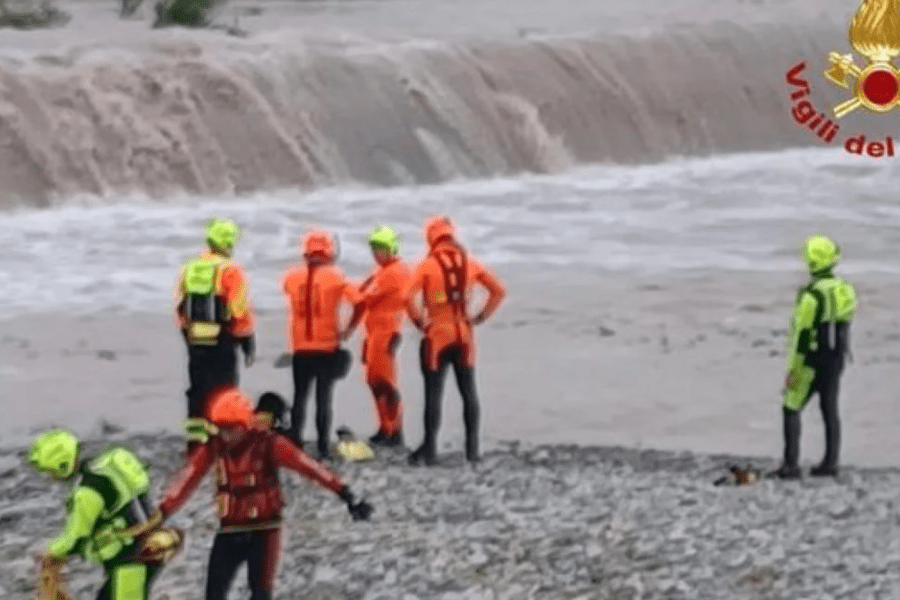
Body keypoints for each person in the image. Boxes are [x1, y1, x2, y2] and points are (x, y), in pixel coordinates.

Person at [150, 386, 373, 600]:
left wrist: (346, 494)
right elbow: (188, 478)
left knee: (261, 593)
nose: (226, 435)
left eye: (231, 428)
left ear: (245, 425)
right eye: (221, 428)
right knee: (214, 593)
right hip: (230, 529)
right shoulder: (214, 445)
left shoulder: (270, 444)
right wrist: (162, 511)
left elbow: (310, 468)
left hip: (264, 531)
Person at [405, 215, 506, 466]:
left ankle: (430, 452)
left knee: (433, 394)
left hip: (437, 335)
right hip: (464, 334)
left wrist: (419, 321)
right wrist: (480, 316)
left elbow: (406, 296)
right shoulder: (470, 262)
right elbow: (498, 291)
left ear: (431, 238)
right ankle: (472, 451)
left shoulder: (426, 265)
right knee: (469, 392)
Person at [28, 428, 176, 600]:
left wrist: (50, 553)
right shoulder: (103, 468)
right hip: (149, 545)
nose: (50, 477)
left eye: (50, 471)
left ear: (61, 465)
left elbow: (76, 536)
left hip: (128, 560)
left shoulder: (87, 493)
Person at [770, 234, 858, 479]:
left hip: (810, 361)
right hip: (836, 358)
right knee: (830, 408)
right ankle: (830, 462)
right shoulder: (846, 290)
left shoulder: (810, 295)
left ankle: (791, 465)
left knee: (791, 407)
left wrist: (792, 369)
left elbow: (799, 334)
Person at [280, 228, 365, 458]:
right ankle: (323, 447)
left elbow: (287, 289)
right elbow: (360, 301)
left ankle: (295, 442)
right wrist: (348, 329)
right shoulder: (336, 276)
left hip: (300, 347)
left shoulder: (291, 276)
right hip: (327, 346)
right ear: (328, 252)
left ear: (305, 252)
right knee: (323, 398)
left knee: (300, 396)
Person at [176, 218, 256, 451]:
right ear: (228, 242)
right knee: (224, 389)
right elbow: (239, 309)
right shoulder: (230, 270)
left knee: (197, 389)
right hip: (222, 339)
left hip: (195, 338)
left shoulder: (190, 267)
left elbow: (180, 305)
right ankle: (222, 440)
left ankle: (195, 443)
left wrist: (187, 333)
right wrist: (247, 340)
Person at [357, 225, 411, 447]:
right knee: (373, 381)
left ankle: (395, 430)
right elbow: (363, 292)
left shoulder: (395, 272)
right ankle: (384, 427)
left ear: (391, 249)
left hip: (387, 331)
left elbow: (365, 298)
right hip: (374, 331)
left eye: (380, 248)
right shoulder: (382, 271)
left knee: (385, 382)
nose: (376, 253)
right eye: (374, 248)